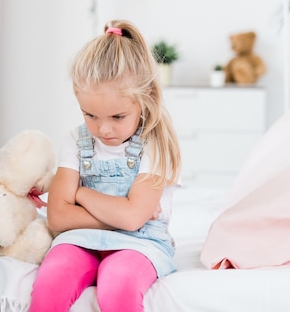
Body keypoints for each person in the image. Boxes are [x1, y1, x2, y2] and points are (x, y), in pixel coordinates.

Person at [29, 20, 181, 312]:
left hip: (140, 244)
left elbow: (133, 221)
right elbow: (58, 218)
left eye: (117, 117)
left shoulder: (155, 143)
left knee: (119, 287)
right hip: (79, 240)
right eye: (90, 115)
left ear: (145, 99)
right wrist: (124, 211)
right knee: (51, 283)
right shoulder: (76, 141)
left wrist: (81, 196)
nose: (103, 129)